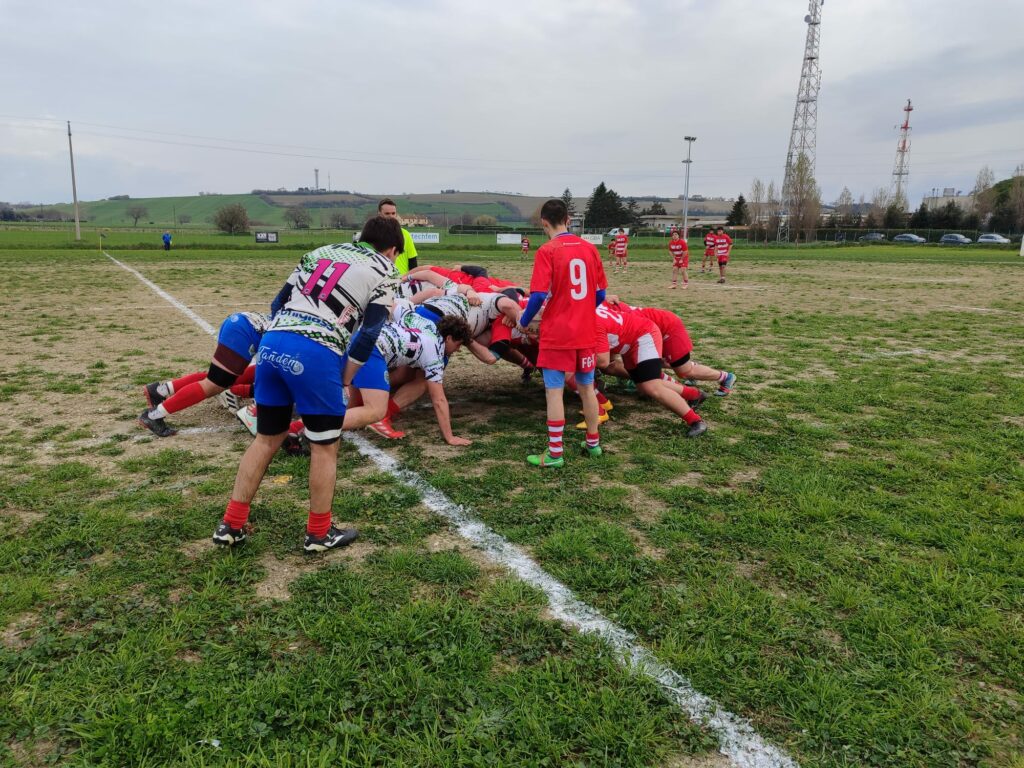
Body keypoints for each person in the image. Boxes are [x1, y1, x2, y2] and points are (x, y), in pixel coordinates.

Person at [212, 215, 402, 553]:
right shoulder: (385, 269)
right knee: (324, 445)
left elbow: (277, 303)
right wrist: (346, 378)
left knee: (266, 438)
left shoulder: (320, 250)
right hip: (316, 351)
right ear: (391, 250)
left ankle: (232, 524)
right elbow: (370, 333)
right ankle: (319, 533)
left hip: (273, 341)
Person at [518, 199, 607, 468]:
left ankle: (555, 453)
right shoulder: (590, 249)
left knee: (554, 392)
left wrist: (523, 321)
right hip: (586, 331)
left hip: (558, 334)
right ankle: (593, 444)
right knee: (587, 388)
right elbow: (600, 294)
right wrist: (581, 311)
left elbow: (538, 296)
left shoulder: (548, 250)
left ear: (544, 222)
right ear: (568, 219)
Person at [138, 311, 269, 437]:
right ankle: (153, 415)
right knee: (215, 384)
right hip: (249, 332)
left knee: (218, 377)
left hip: (245, 323)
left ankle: (160, 391)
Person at [594, 303, 707, 438]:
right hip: (632, 340)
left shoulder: (591, 323)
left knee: (651, 387)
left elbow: (603, 361)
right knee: (643, 384)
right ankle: (694, 394)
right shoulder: (586, 313)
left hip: (643, 336)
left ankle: (696, 421)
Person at [377, 198, 418, 275]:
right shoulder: (373, 234)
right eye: (387, 213)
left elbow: (412, 261)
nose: (391, 216)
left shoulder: (405, 234)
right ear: (379, 214)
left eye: (393, 213)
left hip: (402, 280)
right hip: (381, 281)